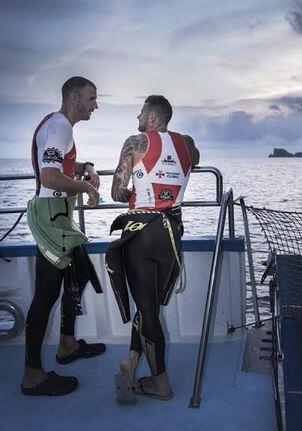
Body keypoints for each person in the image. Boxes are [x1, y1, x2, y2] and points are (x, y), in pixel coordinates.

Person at [106, 95, 199, 403]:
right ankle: (133, 359)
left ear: (152, 117)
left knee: (146, 310)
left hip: (143, 234)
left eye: (141, 112)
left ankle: (160, 383)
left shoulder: (135, 142)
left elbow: (117, 193)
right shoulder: (188, 144)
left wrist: (133, 187)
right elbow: (193, 163)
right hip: (171, 234)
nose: (137, 116)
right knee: (152, 309)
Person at [21, 76, 106, 396]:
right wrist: (87, 187)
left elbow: (60, 163)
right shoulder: (60, 126)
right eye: (91, 98)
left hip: (58, 213)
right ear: (74, 99)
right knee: (46, 293)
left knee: (81, 273)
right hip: (51, 214)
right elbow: (50, 175)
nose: (95, 105)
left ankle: (67, 344)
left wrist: (87, 166)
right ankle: (32, 374)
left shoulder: (58, 127)